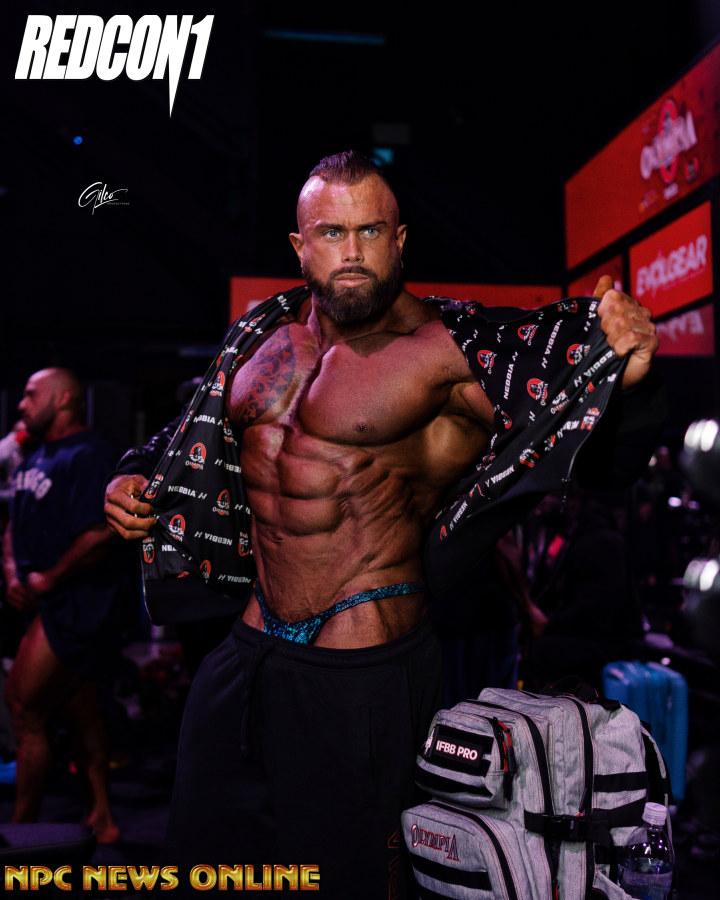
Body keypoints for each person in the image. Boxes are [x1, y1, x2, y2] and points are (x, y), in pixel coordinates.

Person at [104, 151, 663, 897]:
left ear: (400, 241)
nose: (352, 251)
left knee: (351, 882)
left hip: (361, 673)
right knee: (211, 867)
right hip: (244, 655)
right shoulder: (260, 336)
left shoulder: (446, 352)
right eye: (331, 232)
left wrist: (629, 376)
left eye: (370, 231)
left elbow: (588, 446)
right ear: (300, 245)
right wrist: (131, 474)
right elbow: (187, 435)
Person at [2, 368, 121, 843]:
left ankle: (19, 832)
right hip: (40, 599)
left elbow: (101, 532)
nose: (22, 404)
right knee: (80, 709)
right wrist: (12, 573)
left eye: (32, 395)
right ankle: (103, 818)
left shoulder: (91, 454)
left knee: (23, 706)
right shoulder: (35, 455)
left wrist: (48, 579)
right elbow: (12, 524)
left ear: (64, 398)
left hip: (77, 603)